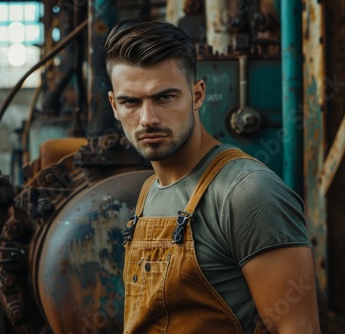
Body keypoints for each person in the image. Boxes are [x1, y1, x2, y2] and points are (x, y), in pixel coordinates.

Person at [103, 19, 320, 333]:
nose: (147, 119)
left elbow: (298, 328)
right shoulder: (150, 190)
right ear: (114, 105)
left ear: (198, 94)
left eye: (164, 98)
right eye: (131, 102)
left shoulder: (248, 193)